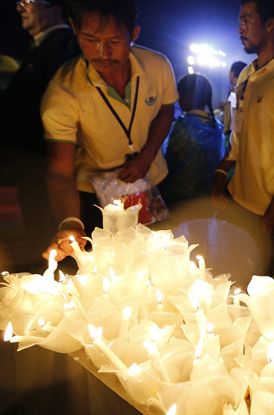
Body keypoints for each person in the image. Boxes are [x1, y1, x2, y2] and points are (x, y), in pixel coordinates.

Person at [41, 0, 177, 260]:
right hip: (96, 198)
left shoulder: (157, 66)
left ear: (134, 34)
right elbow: (60, 172)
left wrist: (146, 157)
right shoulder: (63, 91)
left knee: (158, 261)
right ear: (73, 27)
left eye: (113, 41)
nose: (102, 52)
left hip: (152, 184)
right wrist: (71, 223)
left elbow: (166, 111)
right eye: (90, 39)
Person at [210, 0, 274, 276]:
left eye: (246, 20)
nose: (239, 29)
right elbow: (239, 133)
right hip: (240, 199)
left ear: (270, 25)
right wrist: (223, 169)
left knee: (271, 285)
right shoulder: (247, 75)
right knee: (240, 276)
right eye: (239, 21)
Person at [0, 0, 79, 263]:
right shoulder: (46, 46)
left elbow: (39, 103)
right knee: (43, 236)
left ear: (56, 8)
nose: (20, 8)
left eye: (28, 2)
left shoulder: (63, 45)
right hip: (34, 168)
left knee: (53, 239)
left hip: (48, 164)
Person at [159, 73, 225, 207]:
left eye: (179, 96)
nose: (177, 100)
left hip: (179, 198)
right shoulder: (217, 128)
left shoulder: (182, 125)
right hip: (207, 198)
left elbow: (169, 162)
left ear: (188, 97)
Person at [222, 60, 247, 140]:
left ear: (232, 74)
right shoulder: (249, 89)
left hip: (234, 137)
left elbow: (231, 115)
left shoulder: (234, 91)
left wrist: (224, 132)